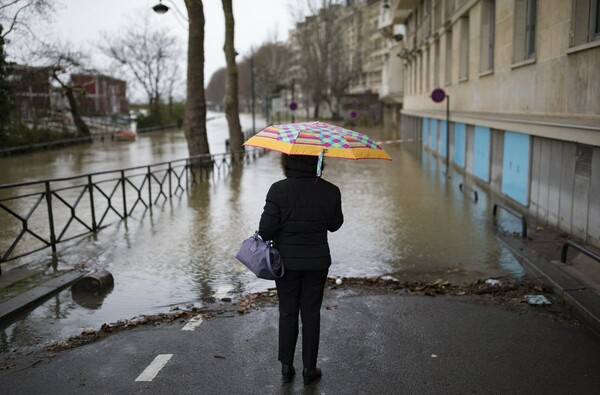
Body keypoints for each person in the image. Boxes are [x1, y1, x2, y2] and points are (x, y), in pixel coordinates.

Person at [258, 154, 344, 385]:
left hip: (285, 263)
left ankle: (287, 367)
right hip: (317, 263)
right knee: (311, 313)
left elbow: (265, 230)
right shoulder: (331, 190)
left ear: (286, 162)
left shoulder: (277, 190)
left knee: (287, 311)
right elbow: (335, 225)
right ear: (319, 162)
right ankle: (309, 368)